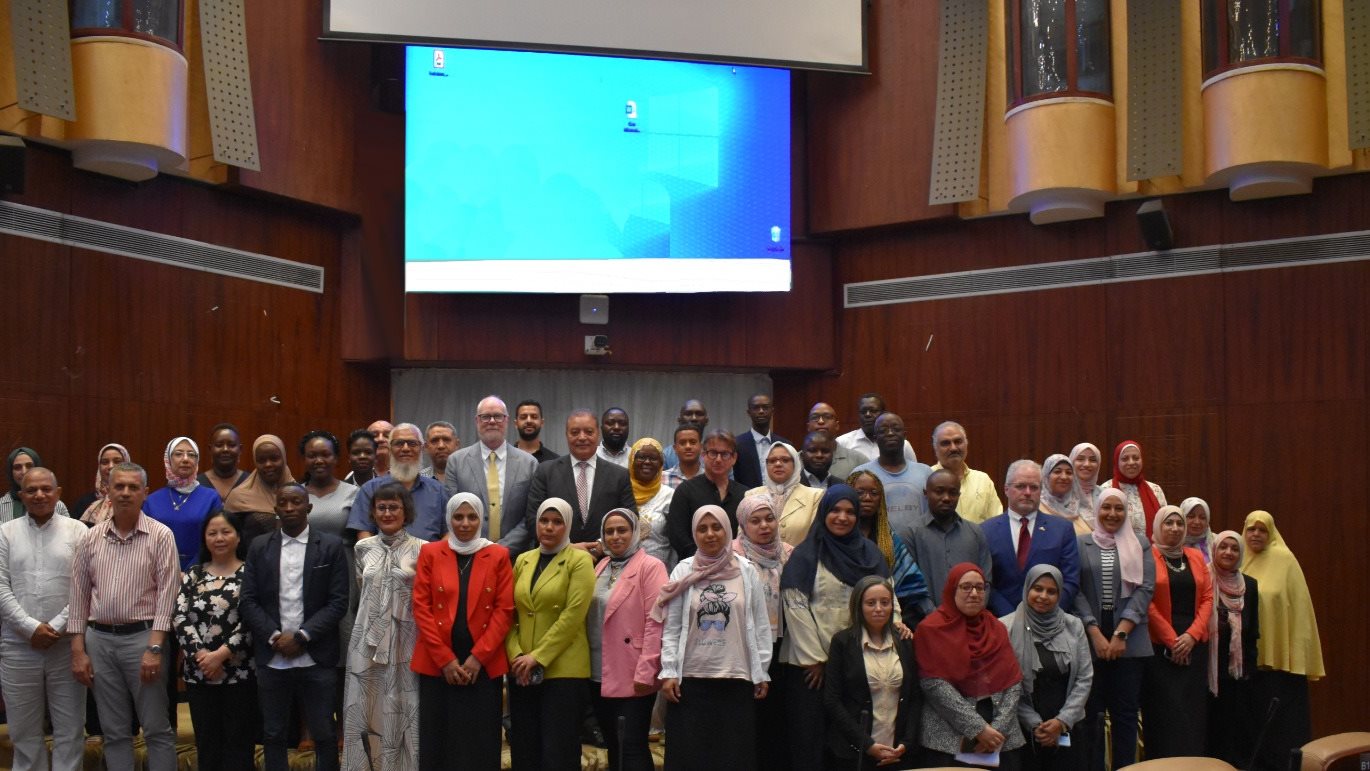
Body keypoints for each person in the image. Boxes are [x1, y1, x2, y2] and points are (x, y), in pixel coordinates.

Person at [68, 462, 180, 771]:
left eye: (133, 487)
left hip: (144, 640)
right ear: (107, 491)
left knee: (156, 728)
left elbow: (167, 596)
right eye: (119, 487)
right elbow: (78, 598)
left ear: (145, 493)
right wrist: (78, 651)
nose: (126, 493)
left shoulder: (160, 536)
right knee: (114, 732)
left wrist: (155, 648)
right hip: (99, 640)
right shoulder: (89, 539)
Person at [779, 485, 890, 771]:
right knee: (810, 743)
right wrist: (816, 660)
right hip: (810, 670)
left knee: (847, 744)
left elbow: (885, 598)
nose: (842, 517)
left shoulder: (870, 554)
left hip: (855, 663)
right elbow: (795, 606)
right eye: (835, 510)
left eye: (850, 512)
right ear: (823, 512)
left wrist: (897, 626)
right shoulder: (806, 555)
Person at [240, 483, 349, 771]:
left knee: (324, 732)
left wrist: (302, 636)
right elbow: (248, 600)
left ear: (308, 507)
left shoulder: (330, 546)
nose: (289, 508)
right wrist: (275, 637)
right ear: (275, 508)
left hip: (317, 655)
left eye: (296, 502)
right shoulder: (259, 546)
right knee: (274, 733)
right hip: (273, 656)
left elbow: (338, 602)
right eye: (284, 503)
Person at [656, 505, 772, 771]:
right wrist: (670, 670)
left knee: (733, 758)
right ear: (694, 533)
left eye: (716, 527)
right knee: (691, 758)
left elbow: (760, 624)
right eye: (702, 528)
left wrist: (761, 670)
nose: (710, 534)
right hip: (690, 682)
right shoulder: (683, 572)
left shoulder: (747, 571)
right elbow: (672, 627)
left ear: (728, 529)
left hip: (736, 679)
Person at [411, 493, 515, 771]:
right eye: (458, 517)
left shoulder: (498, 554)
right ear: (449, 519)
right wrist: (445, 660)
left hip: (481, 665)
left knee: (479, 741)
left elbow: (504, 610)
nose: (465, 523)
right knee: (438, 739)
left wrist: (478, 657)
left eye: (472, 517)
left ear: (482, 519)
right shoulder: (431, 552)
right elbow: (422, 607)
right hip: (438, 664)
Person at [0, 467, 89, 771]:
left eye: (46, 489)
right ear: (21, 495)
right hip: (17, 645)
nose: (39, 495)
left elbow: (86, 586)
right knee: (23, 731)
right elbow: (0, 586)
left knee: (70, 729)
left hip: (66, 646)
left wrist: (58, 625)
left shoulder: (78, 531)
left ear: (58, 492)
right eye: (31, 490)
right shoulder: (5, 532)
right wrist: (29, 628)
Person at [505, 498, 596, 771]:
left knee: (559, 751)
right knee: (524, 747)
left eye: (557, 522)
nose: (549, 527)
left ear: (567, 526)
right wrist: (516, 654)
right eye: (544, 521)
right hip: (522, 670)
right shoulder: (523, 559)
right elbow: (509, 613)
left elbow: (572, 616)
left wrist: (538, 656)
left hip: (563, 670)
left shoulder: (579, 560)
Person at [343, 482, 424, 769]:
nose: (388, 513)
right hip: (367, 639)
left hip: (408, 639)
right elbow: (361, 590)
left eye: (394, 507)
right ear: (374, 513)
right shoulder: (362, 548)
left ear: (406, 511)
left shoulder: (423, 550)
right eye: (382, 508)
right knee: (368, 708)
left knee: (403, 707)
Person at [1073, 488, 1154, 770]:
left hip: (1130, 643)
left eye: (1118, 508)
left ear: (1126, 513)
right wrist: (1094, 632)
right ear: (1097, 510)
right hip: (1089, 641)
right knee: (1091, 713)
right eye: (1106, 507)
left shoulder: (1140, 543)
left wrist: (1120, 633)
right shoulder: (1081, 543)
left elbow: (1145, 589)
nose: (1112, 514)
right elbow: (1075, 590)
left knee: (1126, 714)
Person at [914, 562, 1024, 769]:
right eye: (966, 587)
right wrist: (979, 729)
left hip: (1001, 736)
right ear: (951, 590)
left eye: (980, 587)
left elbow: (1013, 680)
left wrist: (996, 731)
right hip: (949, 736)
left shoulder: (996, 627)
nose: (974, 593)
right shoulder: (930, 629)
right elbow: (934, 686)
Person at [1241, 510, 1324, 771]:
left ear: (1271, 533)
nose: (1256, 534)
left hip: (1280, 666)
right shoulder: (1236, 556)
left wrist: (1298, 656)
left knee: (1281, 732)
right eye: (1251, 529)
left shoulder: (1285, 560)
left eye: (1262, 529)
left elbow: (1300, 612)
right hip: (1247, 663)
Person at [174, 511, 256, 771]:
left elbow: (253, 619)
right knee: (207, 744)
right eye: (212, 533)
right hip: (200, 674)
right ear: (205, 539)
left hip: (239, 672)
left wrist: (221, 654)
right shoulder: (194, 574)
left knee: (239, 744)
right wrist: (203, 657)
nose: (219, 538)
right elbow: (179, 616)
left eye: (226, 531)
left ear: (238, 536)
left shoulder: (250, 573)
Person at [588, 508, 669, 771]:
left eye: (622, 530)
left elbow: (656, 622)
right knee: (614, 744)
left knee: (631, 745)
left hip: (633, 671)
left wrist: (647, 671)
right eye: (609, 531)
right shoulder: (601, 565)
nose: (615, 536)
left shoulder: (651, 567)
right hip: (599, 670)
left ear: (635, 532)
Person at [822, 576, 921, 770]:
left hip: (897, 752)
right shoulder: (842, 642)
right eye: (870, 603)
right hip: (853, 752)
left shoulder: (905, 641)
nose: (878, 608)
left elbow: (915, 697)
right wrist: (867, 745)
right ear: (858, 606)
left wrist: (906, 743)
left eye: (885, 603)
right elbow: (832, 700)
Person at [1001, 564, 1092, 771]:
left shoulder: (1074, 625)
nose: (1043, 596)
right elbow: (1005, 685)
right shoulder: (1005, 627)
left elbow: (1084, 678)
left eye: (1051, 591)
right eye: (1038, 588)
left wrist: (1062, 721)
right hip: (1023, 727)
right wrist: (1034, 724)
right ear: (1027, 589)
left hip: (1068, 724)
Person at [1142, 505, 1214, 758]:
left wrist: (1191, 636)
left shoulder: (1195, 556)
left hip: (1194, 644)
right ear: (1158, 526)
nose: (1175, 528)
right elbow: (1145, 601)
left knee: (1191, 712)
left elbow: (1207, 597)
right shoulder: (1146, 556)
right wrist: (1173, 640)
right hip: (1159, 646)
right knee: (1164, 711)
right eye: (1168, 523)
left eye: (1179, 523)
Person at [731, 495, 792, 770]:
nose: (764, 526)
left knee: (777, 718)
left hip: (783, 647)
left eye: (769, 518)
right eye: (755, 521)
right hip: (744, 648)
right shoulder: (732, 555)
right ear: (743, 524)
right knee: (747, 719)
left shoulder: (790, 553)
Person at [524, 410, 637, 558]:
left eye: (589, 432)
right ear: (566, 435)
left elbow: (631, 518)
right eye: (575, 432)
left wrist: (601, 545)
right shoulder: (546, 471)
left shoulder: (619, 475)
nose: (582, 437)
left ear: (598, 434)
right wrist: (566, 547)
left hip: (605, 561)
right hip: (556, 559)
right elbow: (533, 519)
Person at [982, 460, 1080, 617]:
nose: (1027, 492)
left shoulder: (1062, 530)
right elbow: (985, 582)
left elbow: (1070, 581)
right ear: (1006, 489)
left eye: (1034, 487)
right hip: (1001, 623)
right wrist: (1011, 618)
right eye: (1020, 486)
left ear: (1041, 491)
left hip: (1048, 622)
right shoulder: (985, 530)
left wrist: (1044, 615)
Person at [444, 396, 540, 555]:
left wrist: (501, 550)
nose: (492, 421)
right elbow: (452, 511)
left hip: (516, 557)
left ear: (507, 420)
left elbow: (531, 515)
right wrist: (479, 548)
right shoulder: (456, 462)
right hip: (469, 555)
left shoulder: (529, 463)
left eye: (498, 416)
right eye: (485, 417)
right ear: (477, 421)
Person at [904, 468, 994, 619]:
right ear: (926, 494)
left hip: (971, 623)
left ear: (959, 495)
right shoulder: (911, 534)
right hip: (926, 625)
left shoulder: (975, 532)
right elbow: (910, 584)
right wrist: (937, 617)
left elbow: (986, 580)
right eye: (939, 491)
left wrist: (972, 610)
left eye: (952, 493)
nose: (946, 498)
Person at [1206, 530, 1260, 768]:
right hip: (1206, 670)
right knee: (1208, 731)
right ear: (1214, 549)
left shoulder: (1249, 584)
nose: (1228, 552)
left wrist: (1249, 671)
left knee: (1233, 732)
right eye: (1223, 547)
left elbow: (1253, 631)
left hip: (1236, 674)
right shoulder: (1204, 577)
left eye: (1234, 548)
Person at [848, 469, 929, 622]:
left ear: (881, 499)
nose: (867, 498)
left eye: (874, 493)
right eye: (860, 492)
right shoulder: (840, 539)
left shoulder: (890, 540)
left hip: (886, 615)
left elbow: (910, 585)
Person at [349, 423, 447, 541]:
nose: (405, 448)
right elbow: (364, 535)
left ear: (422, 448)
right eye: (399, 443)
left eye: (412, 443)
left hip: (429, 558)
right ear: (390, 449)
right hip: (382, 558)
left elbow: (449, 533)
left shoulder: (438, 491)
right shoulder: (370, 489)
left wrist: (431, 557)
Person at [666, 429, 747, 560]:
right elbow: (677, 535)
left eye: (725, 454)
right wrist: (705, 561)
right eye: (713, 453)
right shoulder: (685, 490)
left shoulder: (744, 494)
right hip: (694, 567)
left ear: (734, 458)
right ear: (703, 455)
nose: (718, 459)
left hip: (736, 566)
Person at [145, 436, 223, 570]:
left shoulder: (211, 497)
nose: (185, 459)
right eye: (178, 454)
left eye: (191, 454)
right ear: (168, 460)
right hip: (156, 571)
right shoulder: (151, 500)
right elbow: (144, 542)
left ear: (197, 460)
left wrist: (190, 572)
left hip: (200, 572)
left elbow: (216, 538)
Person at [852, 413, 932, 535]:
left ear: (905, 436)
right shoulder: (861, 475)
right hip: (877, 548)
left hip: (919, 547)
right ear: (875, 438)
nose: (890, 433)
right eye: (883, 430)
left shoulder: (925, 472)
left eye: (896, 429)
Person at [224, 434, 296, 548]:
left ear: (284, 458)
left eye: (274, 458)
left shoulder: (299, 494)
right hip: (252, 563)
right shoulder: (239, 496)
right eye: (261, 460)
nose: (268, 464)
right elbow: (228, 539)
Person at [747, 441, 821, 547]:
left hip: (799, 561)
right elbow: (743, 538)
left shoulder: (815, 496)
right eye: (772, 461)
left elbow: (815, 540)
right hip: (756, 561)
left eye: (785, 460)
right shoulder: (751, 495)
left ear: (795, 463)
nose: (778, 464)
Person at [929, 421, 1002, 524]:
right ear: (935, 447)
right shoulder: (926, 478)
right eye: (946, 443)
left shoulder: (983, 480)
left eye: (958, 441)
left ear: (966, 443)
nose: (953, 448)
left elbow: (996, 522)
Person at [1099, 440, 1166, 541]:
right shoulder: (1105, 489)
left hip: (1151, 552)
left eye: (1136, 458)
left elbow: (1164, 523)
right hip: (1115, 551)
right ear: (1117, 462)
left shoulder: (1155, 490)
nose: (1131, 462)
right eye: (1125, 459)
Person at [629, 438, 676, 570]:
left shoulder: (670, 496)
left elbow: (676, 541)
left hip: (659, 571)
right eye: (641, 457)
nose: (647, 462)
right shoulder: (622, 492)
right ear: (632, 460)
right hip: (624, 570)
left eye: (653, 458)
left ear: (661, 463)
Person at [836, 393, 918, 463]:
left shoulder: (903, 444)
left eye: (873, 411)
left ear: (883, 413)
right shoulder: (843, 442)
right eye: (863, 411)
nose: (867, 415)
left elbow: (913, 472)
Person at [734, 393, 789, 489]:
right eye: (756, 408)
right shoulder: (737, 444)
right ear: (748, 412)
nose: (761, 411)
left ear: (772, 411)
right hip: (747, 499)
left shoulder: (785, 444)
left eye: (765, 407)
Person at [2, 447, 71, 522]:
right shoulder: (1, 506)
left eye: (29, 466)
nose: (24, 471)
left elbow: (69, 531)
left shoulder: (58, 505)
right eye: (17, 467)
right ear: (10, 472)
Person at [805, 403, 869, 480]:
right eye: (815, 417)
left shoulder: (858, 460)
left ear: (837, 425)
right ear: (808, 426)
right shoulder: (795, 460)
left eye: (827, 417)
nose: (821, 421)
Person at [72, 442, 130, 523]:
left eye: (117, 461)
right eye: (105, 462)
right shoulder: (84, 503)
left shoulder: (135, 501)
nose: (111, 466)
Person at [1038, 453, 1088, 534]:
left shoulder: (1081, 506)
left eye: (1069, 473)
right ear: (1046, 476)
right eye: (1057, 472)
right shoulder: (1036, 508)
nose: (1064, 477)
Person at [198, 423, 250, 501]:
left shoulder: (250, 482)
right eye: (219, 445)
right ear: (210, 449)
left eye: (231, 445)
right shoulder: (197, 484)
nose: (225, 449)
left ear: (240, 449)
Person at [660, 399, 709, 470]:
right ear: (679, 420)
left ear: (706, 421)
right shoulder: (666, 456)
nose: (694, 418)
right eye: (688, 414)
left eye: (699, 414)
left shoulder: (718, 455)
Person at [1067, 443, 1103, 529]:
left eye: (1093, 460)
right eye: (1080, 459)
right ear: (1071, 462)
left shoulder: (1104, 494)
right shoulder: (1061, 495)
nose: (1087, 464)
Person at [661, 423, 704, 489]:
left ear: (701, 447)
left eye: (693, 442)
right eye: (682, 443)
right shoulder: (661, 479)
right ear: (675, 449)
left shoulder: (711, 478)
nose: (688, 446)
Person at [1181, 497, 1214, 562]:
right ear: (1182, 518)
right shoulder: (1173, 544)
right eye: (1191, 516)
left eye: (1202, 518)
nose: (1197, 522)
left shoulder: (1216, 542)